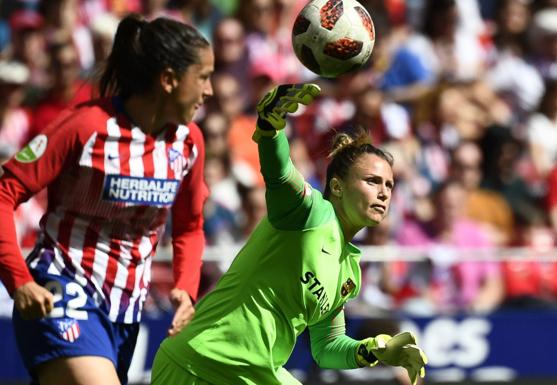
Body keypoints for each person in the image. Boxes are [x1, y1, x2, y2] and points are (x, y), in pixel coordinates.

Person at [151, 84, 428, 385]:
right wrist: (271, 129)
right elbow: (280, 174)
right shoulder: (311, 214)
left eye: (389, 185)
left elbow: (327, 348)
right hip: (198, 363)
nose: (384, 193)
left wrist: (372, 350)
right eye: (373, 181)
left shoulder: (348, 272)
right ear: (337, 187)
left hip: (251, 374)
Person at [0, 14, 213, 385]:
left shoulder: (189, 142)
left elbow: (191, 225)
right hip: (61, 290)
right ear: (168, 80)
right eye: (203, 77)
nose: (208, 91)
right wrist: (19, 280)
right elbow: (4, 193)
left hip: (126, 311)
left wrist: (185, 287)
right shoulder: (86, 127)